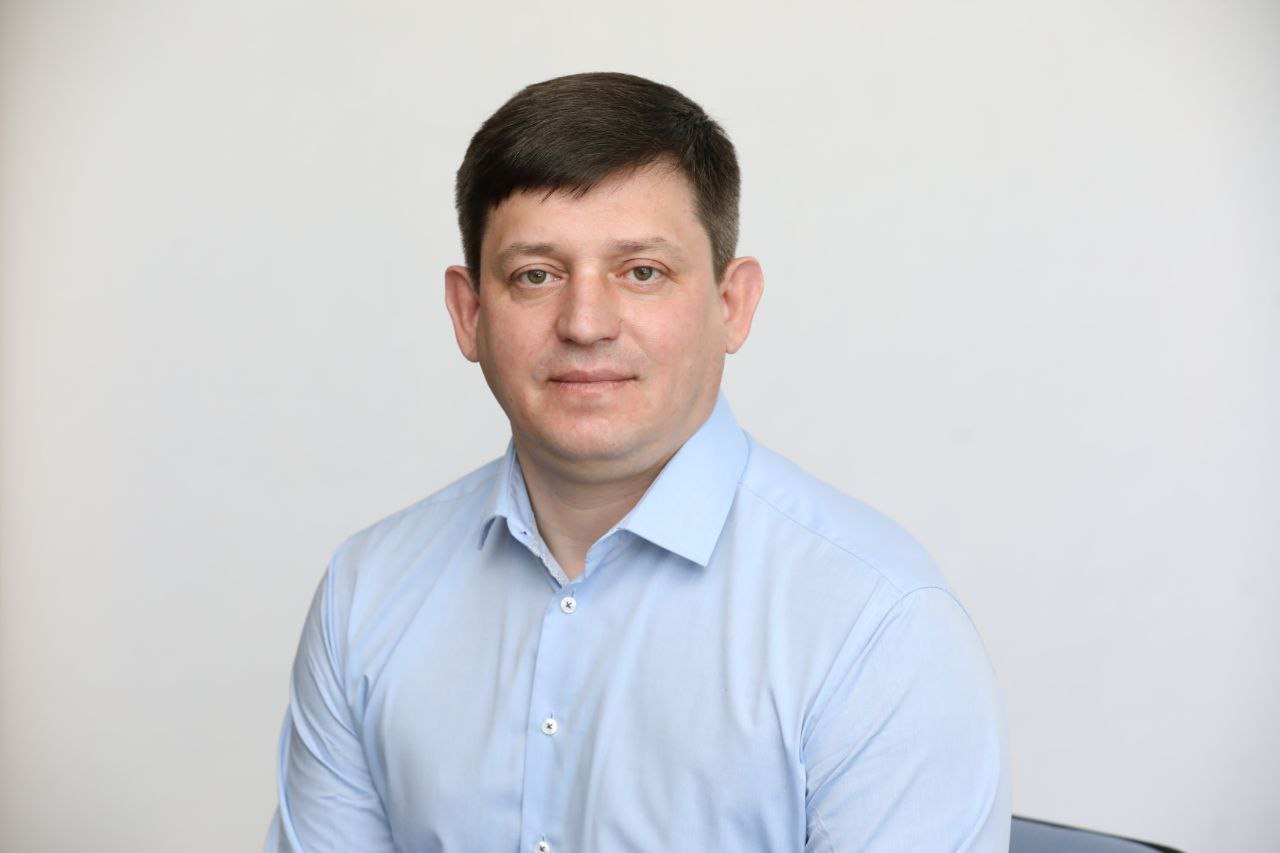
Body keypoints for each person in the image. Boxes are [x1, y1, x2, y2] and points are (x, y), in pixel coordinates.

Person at [267, 71, 1010, 852]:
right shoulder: (366, 594)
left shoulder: (880, 624)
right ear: (469, 312)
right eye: (536, 275)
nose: (586, 323)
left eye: (642, 272)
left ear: (732, 304)